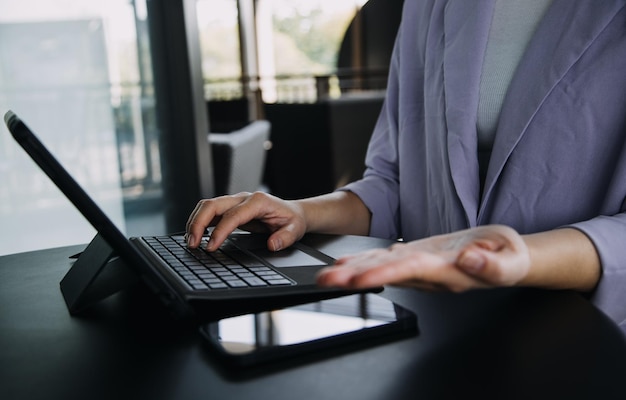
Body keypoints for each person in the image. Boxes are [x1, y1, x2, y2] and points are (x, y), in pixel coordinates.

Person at [186, 0, 626, 333]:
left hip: (584, 335)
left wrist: (524, 257)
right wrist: (302, 213)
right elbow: (396, 181)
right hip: (437, 328)